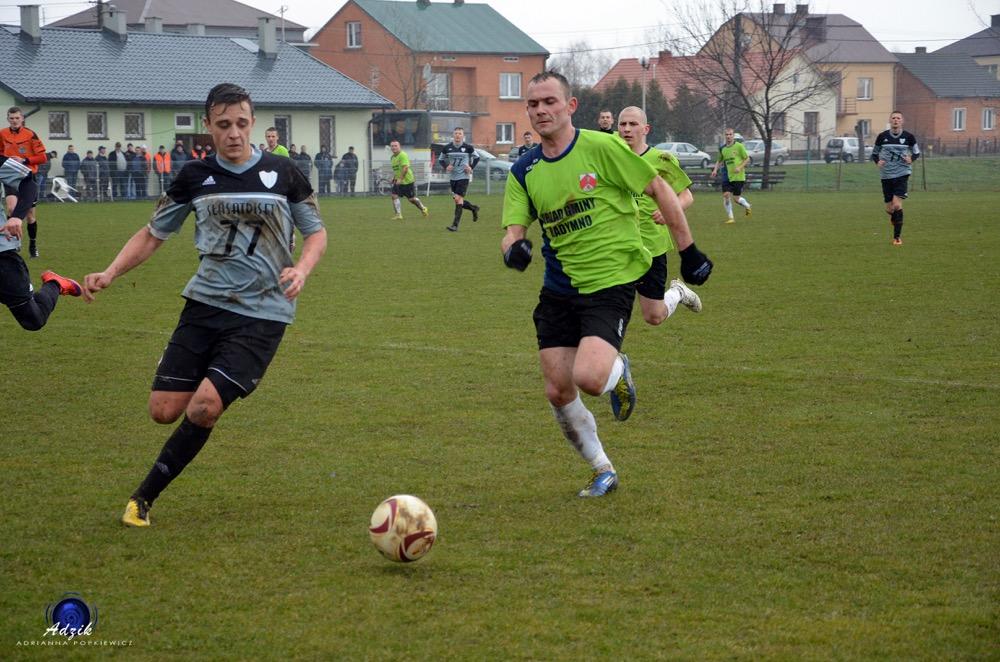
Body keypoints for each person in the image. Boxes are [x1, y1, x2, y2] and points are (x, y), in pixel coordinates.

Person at [82, 83, 327, 528]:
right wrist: (110, 272)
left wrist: (303, 269)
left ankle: (142, 500)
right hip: (204, 306)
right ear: (208, 126)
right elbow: (152, 234)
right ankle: (188, 366)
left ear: (253, 122)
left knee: (205, 407)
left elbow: (317, 233)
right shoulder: (194, 177)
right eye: (223, 124)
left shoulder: (284, 172)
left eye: (241, 123)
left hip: (263, 312)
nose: (234, 133)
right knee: (163, 411)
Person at [500, 72, 713, 498]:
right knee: (558, 390)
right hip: (559, 289)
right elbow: (512, 230)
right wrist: (514, 248)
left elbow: (657, 187)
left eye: (549, 102)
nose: (540, 110)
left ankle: (618, 371)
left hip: (610, 282)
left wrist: (688, 251)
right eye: (533, 104)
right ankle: (602, 468)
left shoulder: (603, 147)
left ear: (570, 106)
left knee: (591, 379)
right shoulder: (524, 169)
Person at [617, 106, 702, 326]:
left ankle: (678, 293)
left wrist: (669, 210)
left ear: (645, 128)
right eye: (622, 124)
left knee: (653, 316)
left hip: (651, 246)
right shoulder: (611, 158)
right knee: (610, 306)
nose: (626, 129)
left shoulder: (661, 160)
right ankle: (609, 355)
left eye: (632, 124)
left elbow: (686, 196)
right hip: (616, 245)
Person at [1, 153, 82, 329]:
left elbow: (27, 182)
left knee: (33, 320)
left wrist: (16, 217)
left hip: (1, 255)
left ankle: (54, 284)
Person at [1, 106, 47, 257]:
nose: (14, 121)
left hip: (27, 177)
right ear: (8, 119)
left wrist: (24, 160)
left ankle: (33, 244)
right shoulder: (2, 134)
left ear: (22, 119)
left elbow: (43, 157)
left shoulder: (30, 134)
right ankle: (13, 244)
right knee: (11, 209)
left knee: (30, 216)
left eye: (17, 118)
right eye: (11, 118)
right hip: (10, 177)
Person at [872, 111, 920, 246]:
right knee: (889, 209)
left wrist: (911, 159)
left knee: (897, 204)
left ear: (902, 121)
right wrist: (877, 162)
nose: (895, 120)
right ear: (890, 120)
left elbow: (916, 152)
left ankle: (897, 237)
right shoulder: (882, 136)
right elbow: (875, 153)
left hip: (902, 173)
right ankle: (895, 218)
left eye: (898, 118)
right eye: (893, 118)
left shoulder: (909, 137)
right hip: (886, 175)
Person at [438, 127, 480, 232]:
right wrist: (446, 166)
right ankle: (473, 208)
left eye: (460, 133)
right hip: (453, 177)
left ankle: (455, 225)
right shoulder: (447, 148)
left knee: (457, 199)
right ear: (453, 135)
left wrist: (471, 167)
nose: (457, 135)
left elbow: (477, 157)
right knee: (458, 200)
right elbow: (441, 159)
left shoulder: (468, 147)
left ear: (463, 135)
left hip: (464, 177)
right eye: (456, 133)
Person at [710, 128, 752, 223]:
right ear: (725, 136)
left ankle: (747, 206)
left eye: (730, 134)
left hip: (738, 177)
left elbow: (747, 159)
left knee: (736, 199)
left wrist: (739, 167)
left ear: (733, 136)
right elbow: (719, 160)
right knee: (726, 195)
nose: (728, 136)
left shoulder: (739, 146)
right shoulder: (722, 148)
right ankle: (731, 218)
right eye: (727, 135)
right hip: (727, 176)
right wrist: (715, 170)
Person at [389, 140, 428, 220]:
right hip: (398, 181)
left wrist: (400, 179)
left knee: (411, 199)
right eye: (392, 146)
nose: (394, 147)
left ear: (399, 147)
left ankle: (423, 208)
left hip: (407, 181)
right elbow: (396, 169)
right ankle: (398, 215)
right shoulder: (392, 157)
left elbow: (405, 168)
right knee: (394, 196)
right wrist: (394, 178)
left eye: (395, 146)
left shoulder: (403, 155)